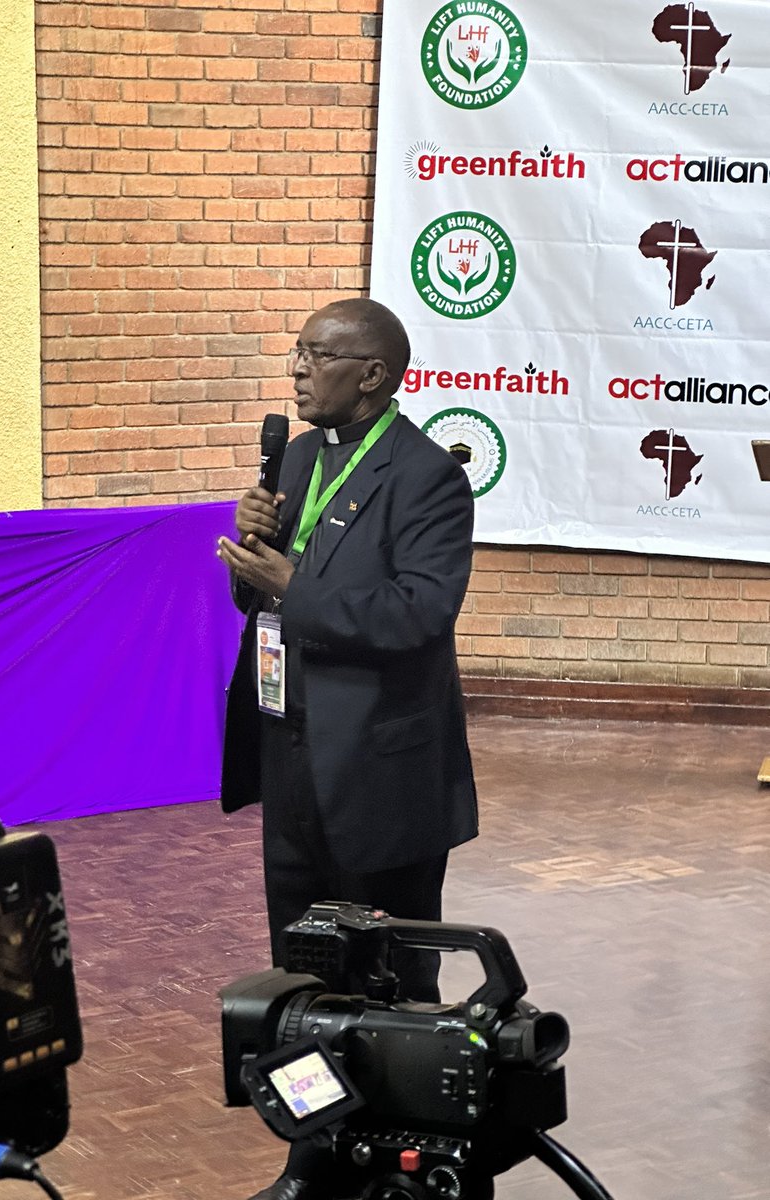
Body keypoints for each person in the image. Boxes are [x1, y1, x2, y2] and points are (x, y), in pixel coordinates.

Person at [216, 298, 477, 1200]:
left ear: (371, 374)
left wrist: (294, 584)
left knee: (394, 976)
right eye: (295, 350)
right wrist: (254, 565)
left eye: (316, 354)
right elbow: (271, 606)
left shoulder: (429, 476)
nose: (296, 368)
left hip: (382, 768)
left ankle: (414, 1160)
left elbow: (420, 613)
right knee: (301, 972)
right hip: (291, 750)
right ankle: (312, 1157)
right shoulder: (295, 455)